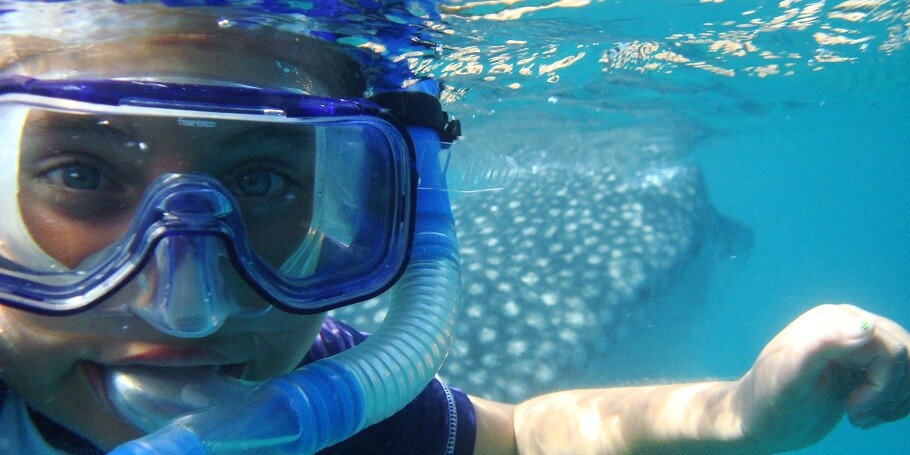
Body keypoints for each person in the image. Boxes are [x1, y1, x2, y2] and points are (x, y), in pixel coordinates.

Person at [0, 3, 907, 454]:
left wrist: (742, 416)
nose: (186, 304)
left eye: (267, 177)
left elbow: (523, 436)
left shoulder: (321, 397)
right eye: (81, 176)